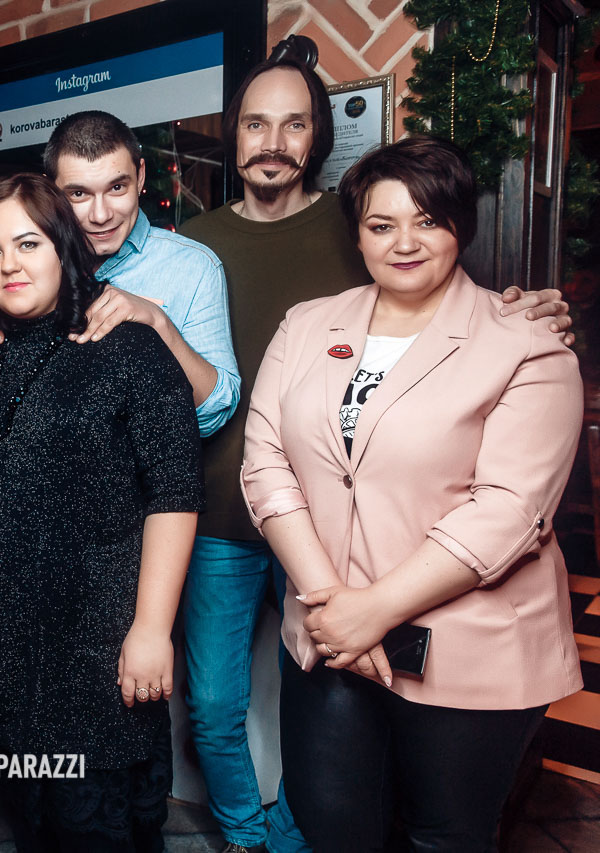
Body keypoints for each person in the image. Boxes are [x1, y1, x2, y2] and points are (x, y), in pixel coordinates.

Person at [168, 48, 577, 853]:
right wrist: (332, 606)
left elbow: (507, 507)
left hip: (458, 627)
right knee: (319, 807)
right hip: (295, 577)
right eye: (383, 225)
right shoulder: (278, 302)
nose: (404, 241)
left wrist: (373, 609)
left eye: (428, 221)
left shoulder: (519, 338)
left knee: (443, 832)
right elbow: (265, 456)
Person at [0, 173, 204, 852]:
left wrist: (152, 629)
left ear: (63, 247)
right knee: (31, 828)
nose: (8, 264)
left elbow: (174, 494)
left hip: (102, 654)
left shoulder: (130, 348)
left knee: (102, 832)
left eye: (28, 243)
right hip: (4, 655)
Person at [0, 110, 240, 440]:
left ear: (141, 177)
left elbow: (214, 414)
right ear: (51, 191)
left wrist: (157, 322)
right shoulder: (27, 264)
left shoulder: (194, 266)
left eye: (117, 187)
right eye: (79, 194)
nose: (101, 215)